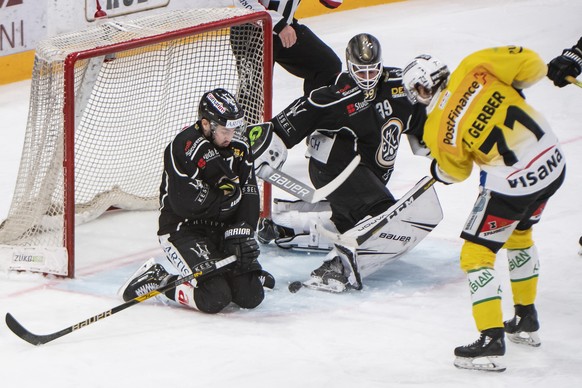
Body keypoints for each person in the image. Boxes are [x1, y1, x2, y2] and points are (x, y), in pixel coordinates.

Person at [401, 47, 566, 371]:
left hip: (513, 186)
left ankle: (491, 340)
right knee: (520, 232)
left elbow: (457, 172)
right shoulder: (474, 65)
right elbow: (533, 66)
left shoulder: (435, 127)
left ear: (421, 89)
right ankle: (525, 318)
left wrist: (436, 170)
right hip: (553, 163)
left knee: (476, 254)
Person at [253, 33, 434, 292]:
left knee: (361, 223)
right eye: (361, 71)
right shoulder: (339, 94)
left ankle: (286, 225)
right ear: (349, 65)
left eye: (373, 70)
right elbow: (293, 118)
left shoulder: (399, 87)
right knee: (380, 214)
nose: (368, 78)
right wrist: (269, 145)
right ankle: (333, 266)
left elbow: (423, 131)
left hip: (367, 175)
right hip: (334, 168)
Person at [119, 88, 272, 314]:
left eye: (233, 129)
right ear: (206, 124)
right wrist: (229, 203)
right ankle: (159, 279)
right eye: (224, 130)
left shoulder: (239, 145)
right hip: (183, 228)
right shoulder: (182, 147)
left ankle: (232, 275)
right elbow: (186, 204)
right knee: (214, 297)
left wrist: (242, 231)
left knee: (251, 295)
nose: (230, 136)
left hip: (221, 227)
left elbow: (248, 191)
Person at [232, 0, 342, 96]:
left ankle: (310, 114)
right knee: (253, 91)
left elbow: (333, 2)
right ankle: (247, 120)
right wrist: (278, 25)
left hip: (287, 29)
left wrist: (281, 26)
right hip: (252, 31)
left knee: (328, 66)